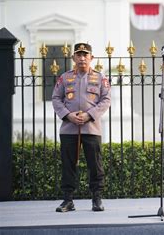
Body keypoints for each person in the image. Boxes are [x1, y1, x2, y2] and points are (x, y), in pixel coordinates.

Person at [52, 43, 111, 212]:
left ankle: (97, 199)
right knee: (68, 165)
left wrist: (89, 114)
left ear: (91, 58)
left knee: (95, 164)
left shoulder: (100, 78)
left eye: (85, 55)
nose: (82, 58)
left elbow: (106, 100)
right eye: (79, 55)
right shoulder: (64, 78)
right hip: (69, 128)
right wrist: (68, 115)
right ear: (73, 58)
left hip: (91, 128)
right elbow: (56, 98)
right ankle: (68, 200)